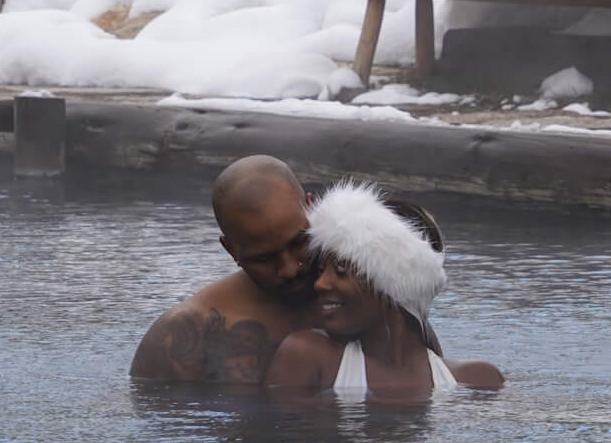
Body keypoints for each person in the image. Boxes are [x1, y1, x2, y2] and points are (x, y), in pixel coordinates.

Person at [265, 180, 503, 401]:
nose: (320, 284)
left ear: (393, 282)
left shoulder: (478, 379)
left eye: (340, 269)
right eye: (320, 269)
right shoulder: (306, 356)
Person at [130, 155, 319, 385]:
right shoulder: (179, 336)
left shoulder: (365, 288)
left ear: (313, 209)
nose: (289, 270)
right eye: (264, 259)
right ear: (230, 250)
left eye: (299, 242)